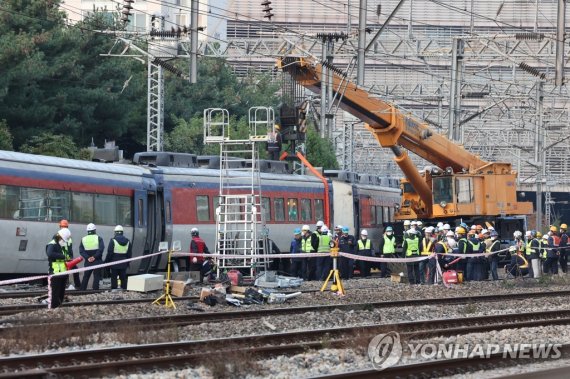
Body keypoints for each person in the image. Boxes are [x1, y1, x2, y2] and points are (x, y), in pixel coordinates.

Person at [46, 228, 72, 308]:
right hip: (55, 273)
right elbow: (50, 254)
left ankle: (59, 307)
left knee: (61, 293)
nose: (64, 241)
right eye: (63, 240)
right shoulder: (52, 244)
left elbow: (68, 254)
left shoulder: (62, 245)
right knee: (55, 293)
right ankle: (54, 308)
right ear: (59, 237)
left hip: (63, 273)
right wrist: (63, 257)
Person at [105, 225, 132, 290]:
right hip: (123, 263)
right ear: (122, 232)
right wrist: (127, 262)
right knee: (123, 277)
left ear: (115, 232)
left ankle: (114, 288)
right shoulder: (128, 241)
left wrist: (107, 262)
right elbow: (129, 254)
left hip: (114, 263)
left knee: (114, 277)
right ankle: (124, 289)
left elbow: (110, 253)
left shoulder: (113, 241)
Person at [79, 223, 105, 290]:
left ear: (87, 231)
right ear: (95, 230)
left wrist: (88, 257)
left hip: (88, 261)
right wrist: (94, 257)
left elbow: (81, 250)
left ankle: (82, 290)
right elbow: (101, 249)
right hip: (97, 260)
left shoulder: (83, 239)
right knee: (96, 277)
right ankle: (95, 290)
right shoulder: (99, 238)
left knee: (86, 276)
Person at [59, 219, 81, 290]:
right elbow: (70, 249)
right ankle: (78, 285)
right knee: (75, 270)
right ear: (67, 227)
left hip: (62, 257)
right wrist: (71, 257)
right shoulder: (69, 236)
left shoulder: (58, 235)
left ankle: (64, 285)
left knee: (65, 272)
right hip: (68, 257)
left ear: (60, 226)